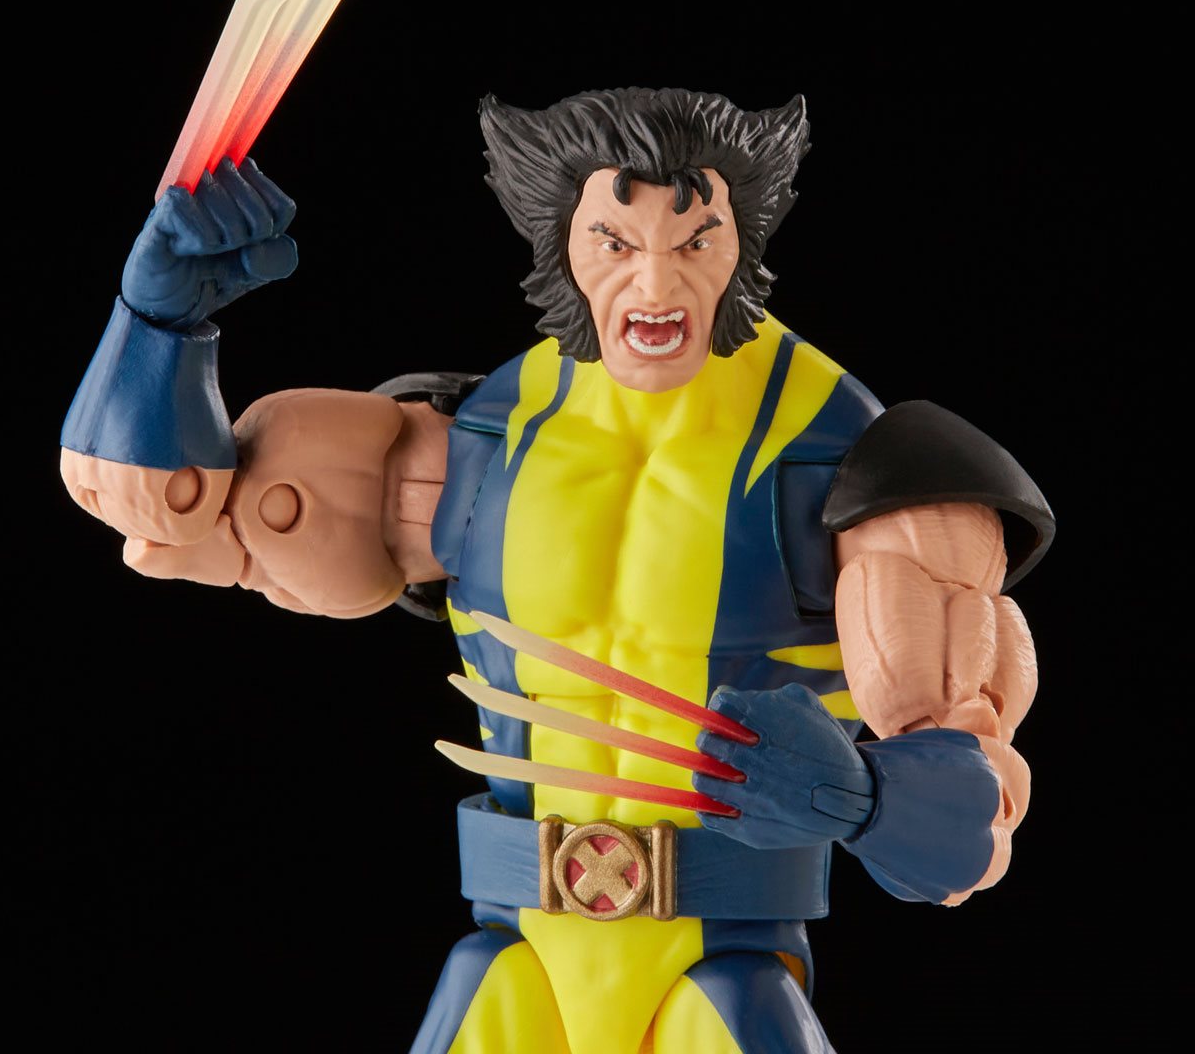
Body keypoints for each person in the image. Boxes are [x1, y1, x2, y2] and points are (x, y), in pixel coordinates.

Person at [61, 87, 1053, 1053]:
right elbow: (176, 526)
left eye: (693, 243)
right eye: (616, 244)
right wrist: (155, 331)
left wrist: (866, 797)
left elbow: (972, 807)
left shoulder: (850, 455)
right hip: (516, 957)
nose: (655, 287)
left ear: (741, 242)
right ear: (562, 244)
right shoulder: (477, 436)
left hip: (724, 967)